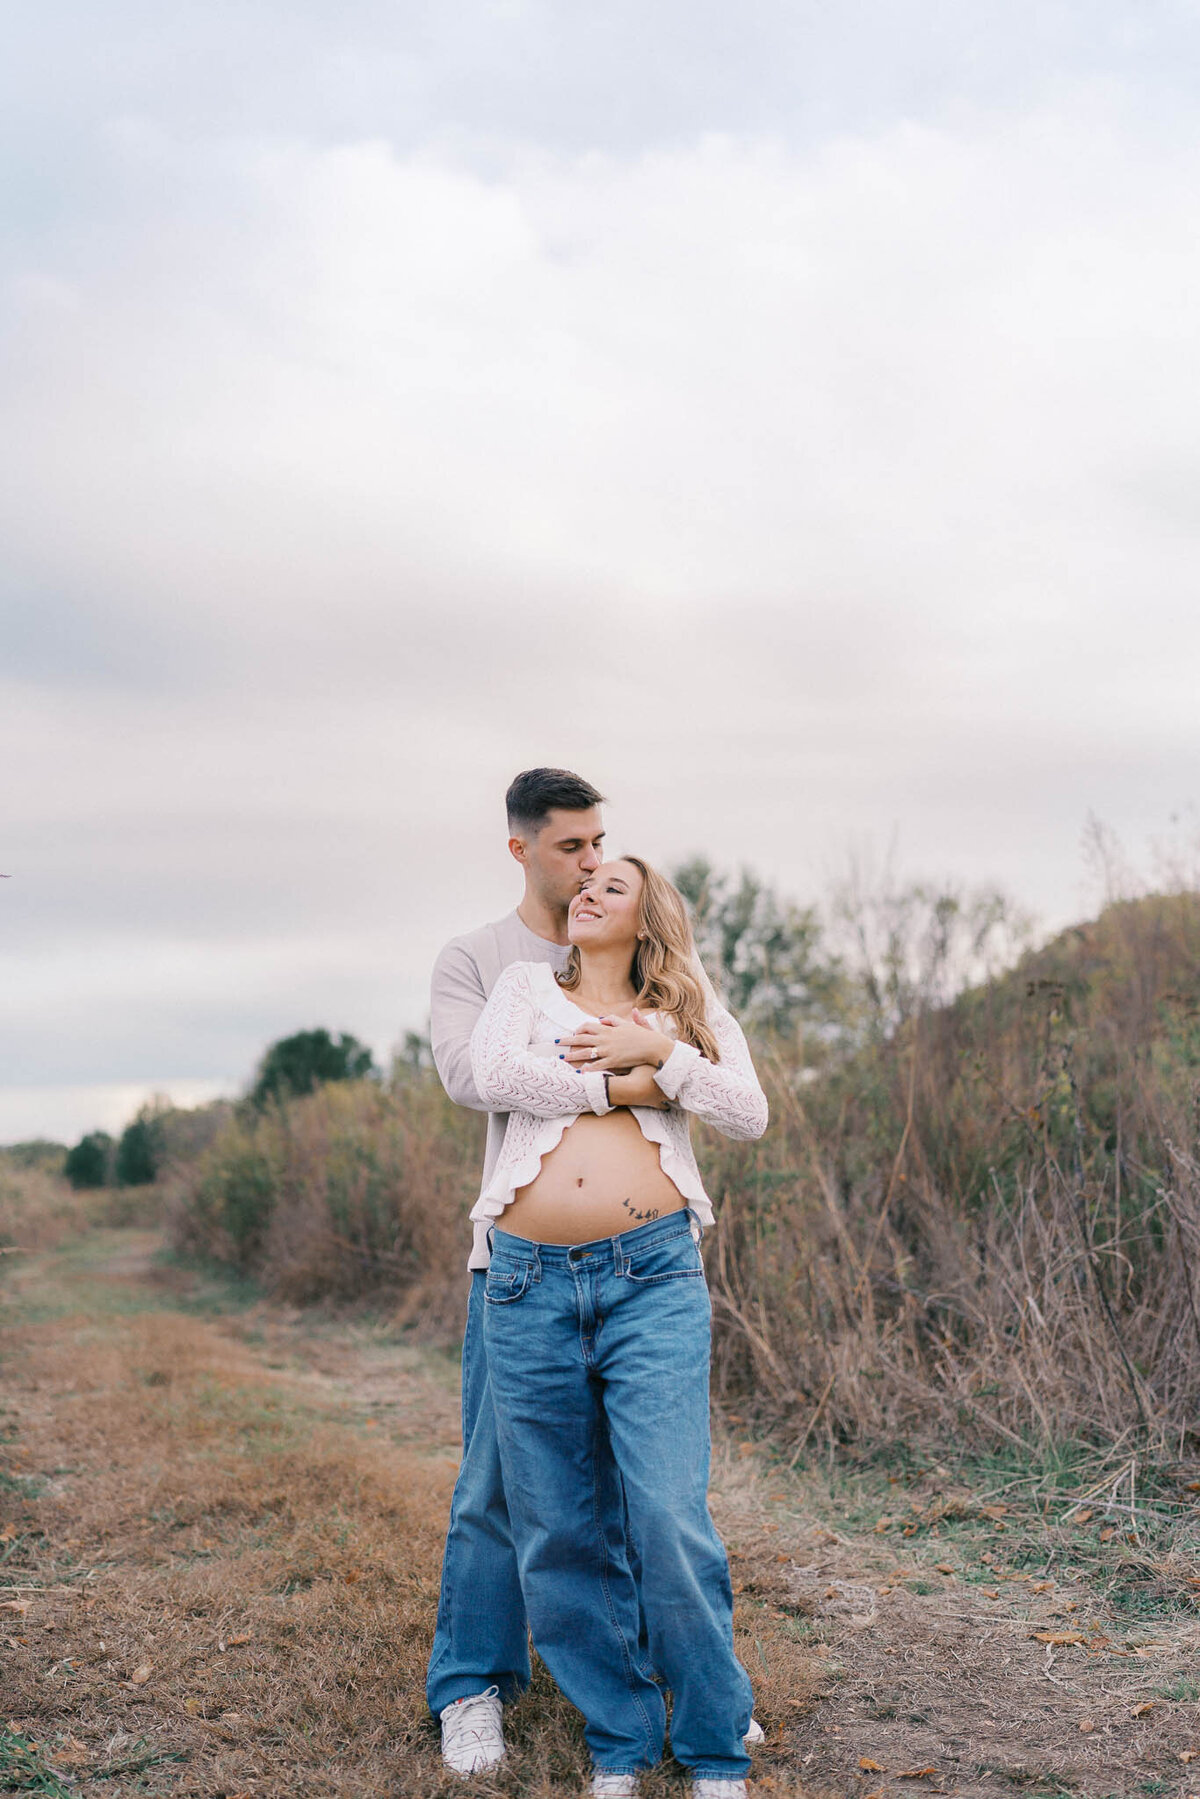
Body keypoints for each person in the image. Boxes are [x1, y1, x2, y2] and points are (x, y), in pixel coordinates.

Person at [468, 855, 768, 1799]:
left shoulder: (684, 1007)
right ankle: (622, 1741)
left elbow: (746, 1109)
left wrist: (664, 1058)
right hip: (525, 1283)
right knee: (557, 1525)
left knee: (668, 1511)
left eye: (613, 887)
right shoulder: (524, 985)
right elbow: (494, 1073)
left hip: (653, 1278)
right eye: (583, 885)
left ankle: (716, 1745)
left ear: (648, 917)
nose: (588, 892)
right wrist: (621, 1086)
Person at [427, 767, 652, 1773]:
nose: (594, 861)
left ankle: (650, 1678)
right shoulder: (477, 957)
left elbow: (701, 1068)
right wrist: (616, 1073)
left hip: (640, 1262)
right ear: (521, 848)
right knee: (494, 1485)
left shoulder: (636, 941)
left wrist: (656, 1063)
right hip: (513, 1265)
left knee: (639, 1484)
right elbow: (472, 1074)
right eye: (572, 846)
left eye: (600, 842)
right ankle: (471, 1685)